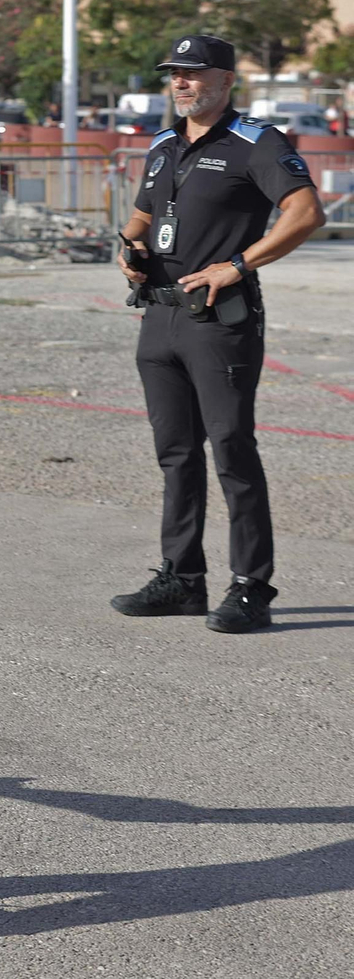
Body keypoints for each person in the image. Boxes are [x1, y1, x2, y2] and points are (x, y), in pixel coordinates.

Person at [112, 34, 325, 633]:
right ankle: (182, 579)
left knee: (232, 450)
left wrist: (238, 265)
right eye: (175, 73)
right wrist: (127, 247)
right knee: (175, 454)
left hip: (218, 319)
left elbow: (307, 212)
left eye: (195, 74)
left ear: (227, 80)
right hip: (160, 317)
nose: (181, 83)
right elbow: (145, 216)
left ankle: (251, 586)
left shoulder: (256, 143)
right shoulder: (163, 145)